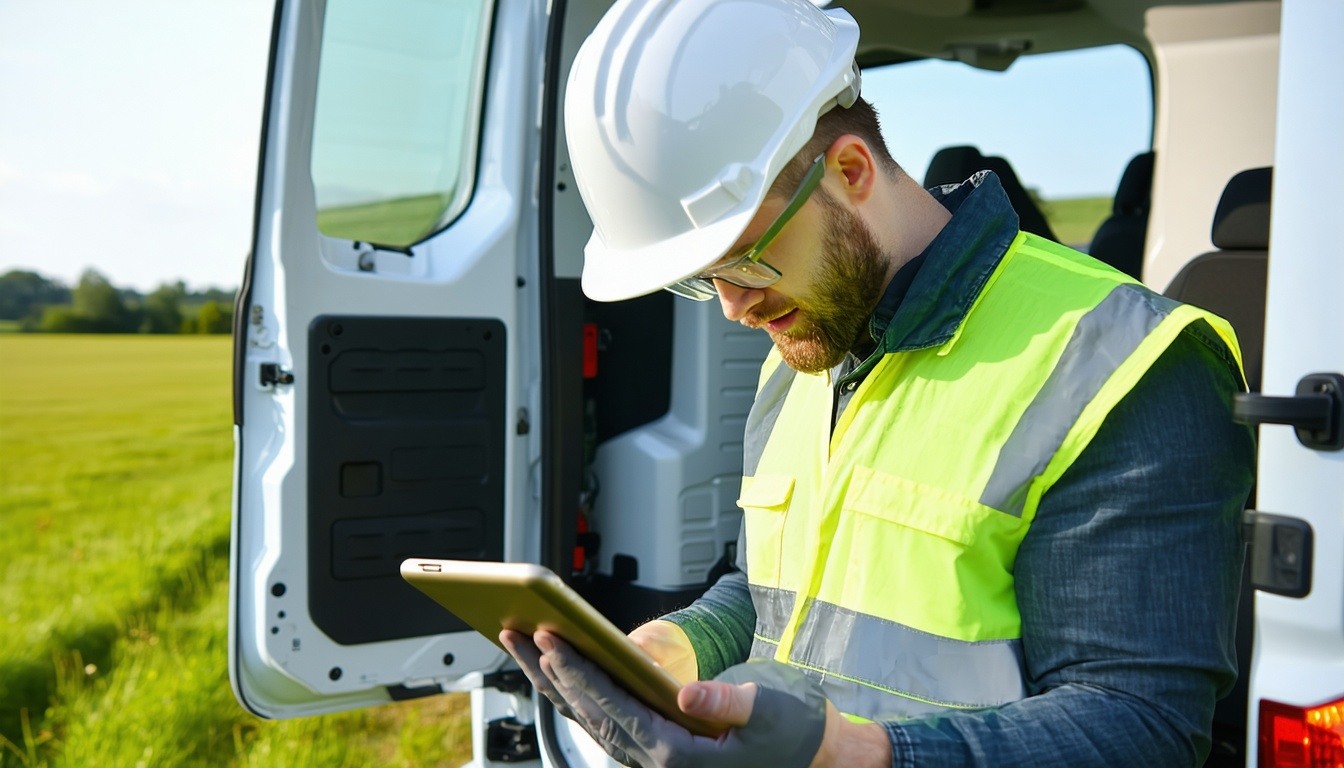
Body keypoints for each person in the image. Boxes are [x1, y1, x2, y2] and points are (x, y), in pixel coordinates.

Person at [501, 0, 1257, 765]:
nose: (734, 307)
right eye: (703, 282)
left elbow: (1141, 727)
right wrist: (679, 643)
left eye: (744, 260)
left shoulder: (1123, 363)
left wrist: (853, 755)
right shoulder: (801, 345)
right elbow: (769, 589)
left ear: (851, 171)